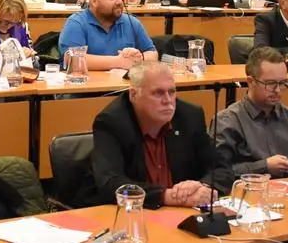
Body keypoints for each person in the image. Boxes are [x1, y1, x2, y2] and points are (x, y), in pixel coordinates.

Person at [90, 62, 227, 208]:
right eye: (158, 93)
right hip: (136, 213)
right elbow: (110, 183)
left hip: (184, 213)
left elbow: (221, 169)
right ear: (134, 95)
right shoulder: (112, 122)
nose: (168, 100)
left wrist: (203, 186)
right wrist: (166, 196)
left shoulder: (190, 116)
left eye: (172, 92)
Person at [214, 47, 288, 177]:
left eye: (282, 83)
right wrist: (264, 167)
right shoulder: (227, 121)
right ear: (251, 82)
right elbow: (218, 173)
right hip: (251, 188)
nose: (277, 90)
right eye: (270, 84)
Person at [58, 0, 158, 71]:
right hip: (89, 83)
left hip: (123, 83)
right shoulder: (76, 23)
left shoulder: (131, 22)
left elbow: (153, 54)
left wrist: (139, 57)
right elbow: (72, 60)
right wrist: (119, 61)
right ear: (94, 1)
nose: (119, 2)